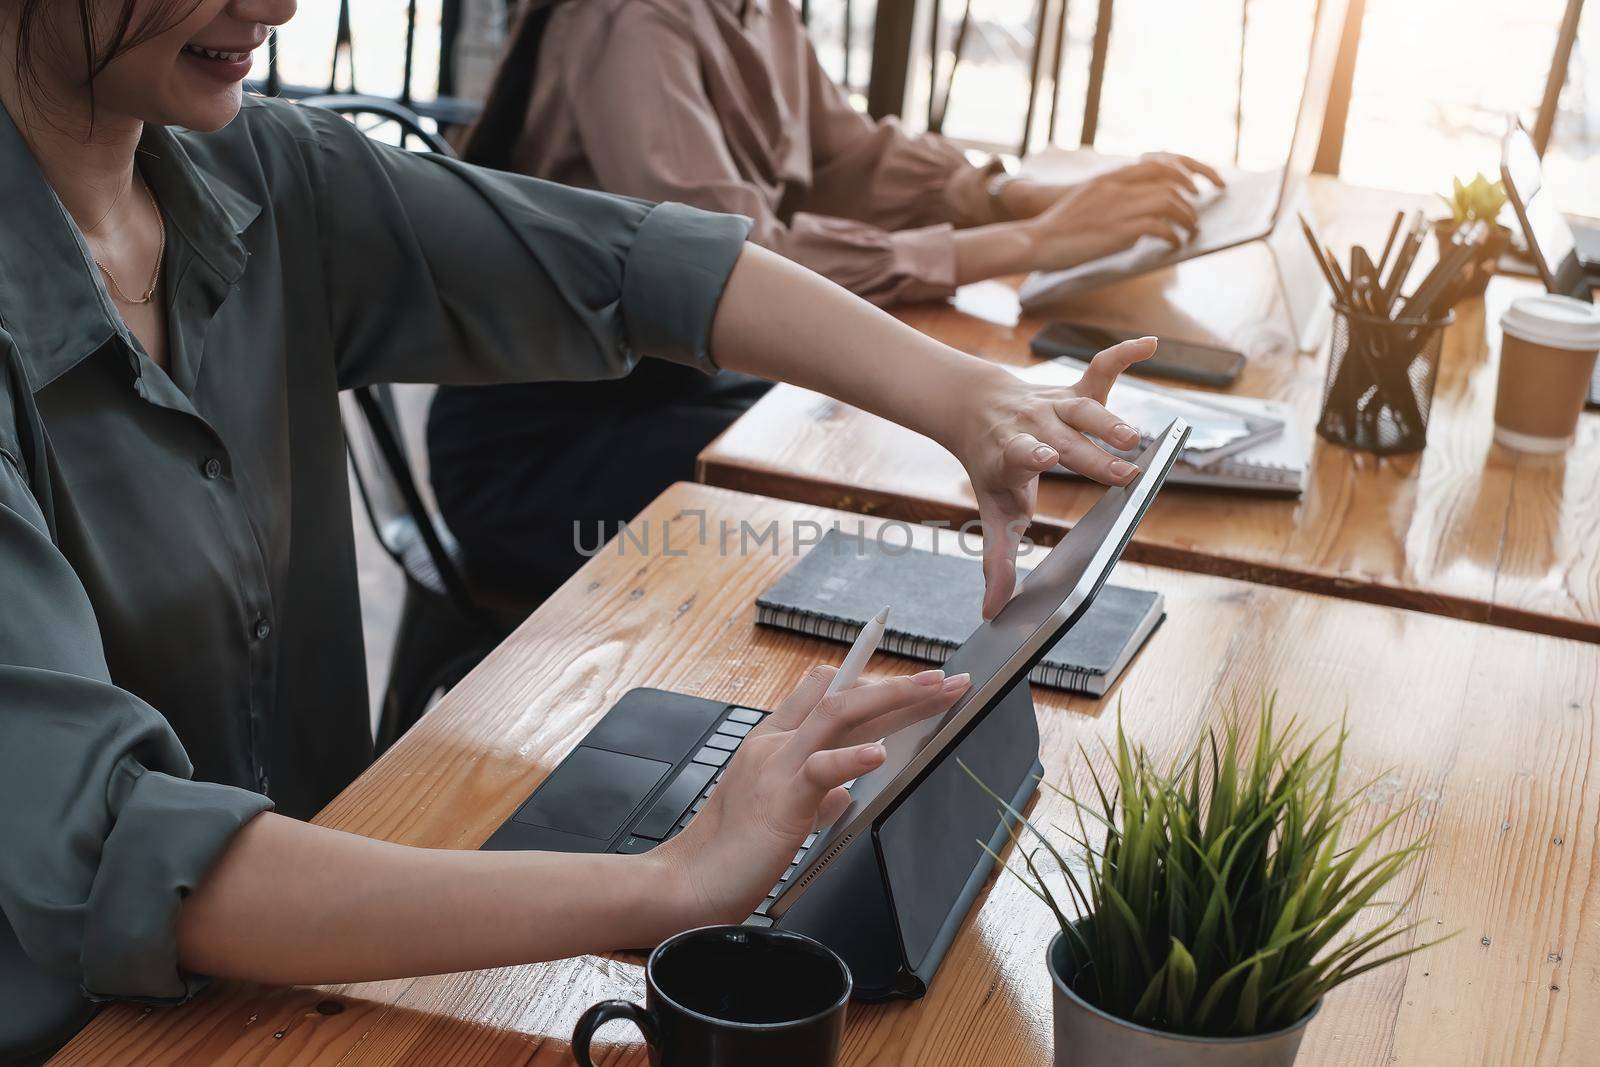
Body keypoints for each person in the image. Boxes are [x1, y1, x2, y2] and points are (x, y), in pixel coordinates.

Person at [0, 0, 1158, 1059]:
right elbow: (115, 852)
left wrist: (964, 398)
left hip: (292, 980)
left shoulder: (254, 167)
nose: (280, 6)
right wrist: (667, 882)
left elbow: (630, 263)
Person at [426, 0, 1221, 606]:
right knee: (874, 503)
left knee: (895, 464)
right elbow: (738, 267)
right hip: (550, 447)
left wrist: (1024, 198)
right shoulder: (631, 22)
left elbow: (849, 156)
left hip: (672, 392)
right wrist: (1033, 242)